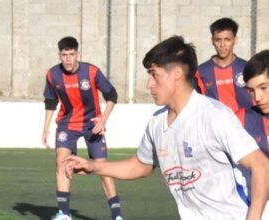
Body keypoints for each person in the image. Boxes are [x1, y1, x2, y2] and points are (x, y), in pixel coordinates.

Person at [64, 36, 269, 219]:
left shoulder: (213, 115)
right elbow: (141, 165)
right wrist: (94, 167)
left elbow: (261, 166)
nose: (149, 84)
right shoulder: (157, 123)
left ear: (177, 73)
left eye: (154, 75)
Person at [42, 36, 123, 220]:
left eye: (71, 54)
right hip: (67, 125)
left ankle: (117, 215)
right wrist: (46, 128)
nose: (68, 59)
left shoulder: (92, 72)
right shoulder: (52, 74)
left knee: (103, 168)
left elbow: (112, 95)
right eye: (64, 55)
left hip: (92, 124)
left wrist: (103, 119)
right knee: (61, 161)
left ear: (77, 54)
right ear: (59, 55)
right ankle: (64, 213)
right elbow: (50, 101)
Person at [235, 50, 269, 215]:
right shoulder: (240, 119)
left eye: (263, 87)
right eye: (251, 91)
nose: (257, 97)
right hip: (254, 207)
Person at [195, 17, 253, 112]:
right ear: (212, 41)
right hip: (215, 125)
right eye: (218, 40)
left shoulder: (247, 68)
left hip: (245, 125)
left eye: (227, 39)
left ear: (235, 40)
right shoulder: (201, 71)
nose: (222, 44)